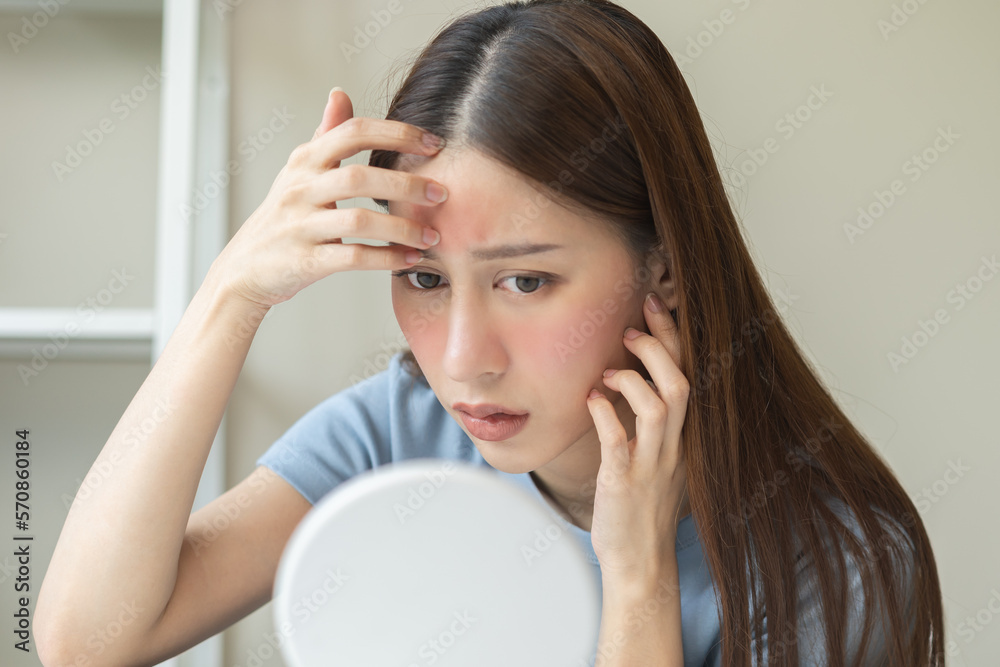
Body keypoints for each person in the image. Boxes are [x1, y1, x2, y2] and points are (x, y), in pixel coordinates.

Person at [35, 1, 945, 666]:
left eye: (525, 280)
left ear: (664, 268)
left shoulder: (835, 561)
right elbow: (86, 639)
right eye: (425, 279)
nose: (464, 360)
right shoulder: (400, 432)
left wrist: (637, 581)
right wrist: (230, 293)